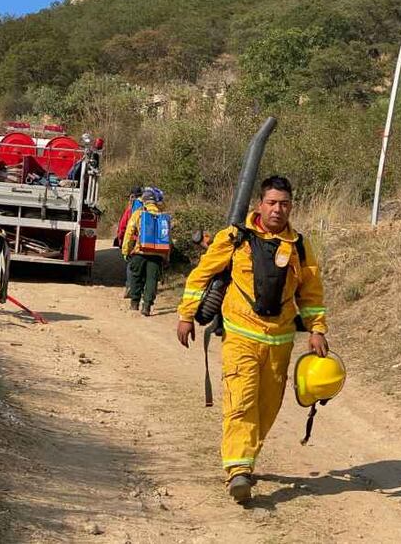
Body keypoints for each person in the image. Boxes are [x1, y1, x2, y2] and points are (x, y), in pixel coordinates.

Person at [175, 175, 329, 504]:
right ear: (260, 204)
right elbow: (201, 275)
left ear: (291, 207)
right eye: (272, 203)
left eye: (284, 204)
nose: (278, 209)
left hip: (280, 343)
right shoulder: (235, 238)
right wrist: (186, 315)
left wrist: (317, 329)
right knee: (241, 401)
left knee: (267, 408)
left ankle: (246, 458)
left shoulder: (300, 246)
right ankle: (238, 470)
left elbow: (311, 293)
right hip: (241, 337)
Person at [121, 187, 169, 316]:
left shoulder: (139, 213)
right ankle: (147, 307)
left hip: (140, 252)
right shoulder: (163, 216)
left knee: (136, 278)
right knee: (152, 281)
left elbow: (129, 233)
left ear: (145, 201)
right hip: (157, 255)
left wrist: (126, 250)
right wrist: (165, 257)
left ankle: (134, 303)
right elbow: (167, 238)